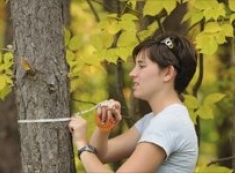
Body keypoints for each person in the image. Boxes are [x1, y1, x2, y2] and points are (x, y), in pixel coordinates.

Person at [68, 34, 199, 172]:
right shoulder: (154, 120)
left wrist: (81, 143)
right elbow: (100, 155)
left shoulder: (169, 122)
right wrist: (104, 126)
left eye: (141, 66)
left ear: (167, 73)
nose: (132, 73)